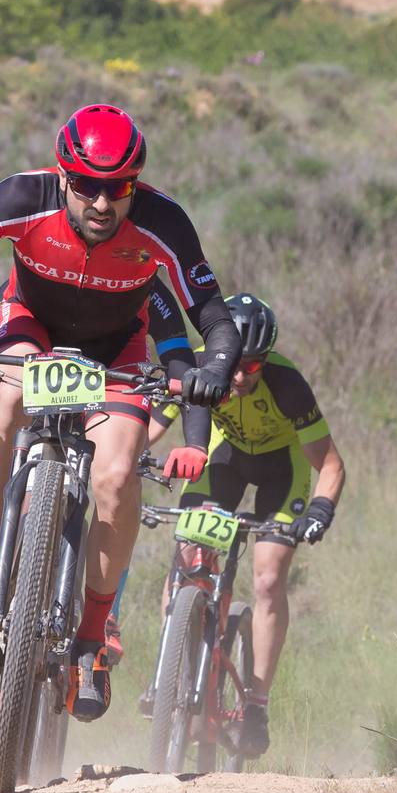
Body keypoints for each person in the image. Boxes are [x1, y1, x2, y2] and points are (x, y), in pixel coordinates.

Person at [0, 103, 239, 726]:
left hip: (120, 351)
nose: (103, 204)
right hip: (33, 326)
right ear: (63, 178)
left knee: (115, 475)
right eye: (86, 186)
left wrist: (213, 369)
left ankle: (90, 639)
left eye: (119, 189)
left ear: (135, 185)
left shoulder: (165, 223)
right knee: (8, 398)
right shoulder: (17, 199)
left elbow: (211, 317)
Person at [0, 279, 205, 672]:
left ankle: (96, 633)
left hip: (113, 378)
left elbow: (183, 366)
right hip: (39, 383)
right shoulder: (34, 270)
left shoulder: (145, 282)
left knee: (118, 481)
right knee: (11, 417)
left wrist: (196, 442)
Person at [149, 293, 345, 757]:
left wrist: (320, 512)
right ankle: (171, 673)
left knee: (268, 576)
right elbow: (151, 425)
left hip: (282, 469)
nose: (239, 377)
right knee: (188, 556)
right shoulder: (199, 368)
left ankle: (256, 702)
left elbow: (332, 466)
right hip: (226, 460)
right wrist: (129, 460)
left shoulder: (287, 383)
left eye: (252, 367)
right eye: (234, 363)